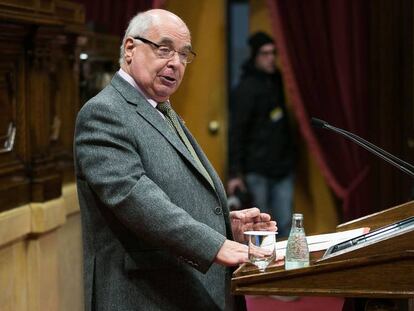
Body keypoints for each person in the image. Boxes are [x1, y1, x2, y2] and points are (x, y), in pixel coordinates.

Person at [74, 9, 276, 311]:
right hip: (144, 295)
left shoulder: (160, 108)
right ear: (130, 49)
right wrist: (216, 245)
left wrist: (224, 226)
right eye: (164, 49)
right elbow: (136, 199)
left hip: (183, 289)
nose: (176, 64)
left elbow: (175, 190)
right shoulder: (104, 113)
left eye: (183, 55)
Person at [228, 31, 296, 238]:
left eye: (273, 53)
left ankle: (287, 270)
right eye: (265, 53)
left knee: (284, 223)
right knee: (259, 226)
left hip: (282, 167)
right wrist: (235, 172)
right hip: (256, 169)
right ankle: (261, 268)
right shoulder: (246, 88)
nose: (270, 58)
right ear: (255, 56)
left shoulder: (276, 82)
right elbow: (237, 131)